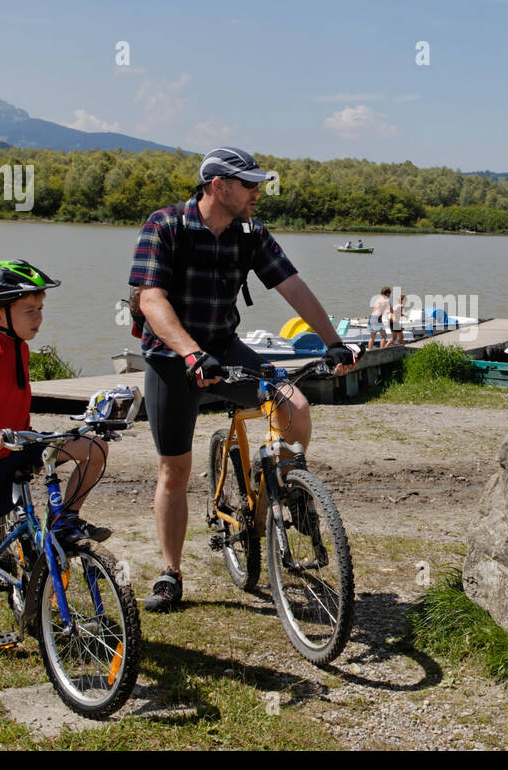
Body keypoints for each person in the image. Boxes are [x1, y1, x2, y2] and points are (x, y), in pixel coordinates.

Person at [128, 146, 357, 613]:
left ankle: (288, 485)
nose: (258, 192)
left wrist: (334, 341)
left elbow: (292, 285)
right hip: (172, 358)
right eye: (250, 184)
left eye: (259, 183)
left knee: (291, 402)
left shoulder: (250, 231)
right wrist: (192, 354)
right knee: (174, 469)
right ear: (219, 186)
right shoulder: (165, 225)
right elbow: (150, 299)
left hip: (224, 346)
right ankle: (171, 574)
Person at [0, 260, 109, 664]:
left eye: (41, 309)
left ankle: (68, 520)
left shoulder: (21, 347)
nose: (39, 318)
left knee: (95, 450)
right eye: (31, 311)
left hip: (20, 443)